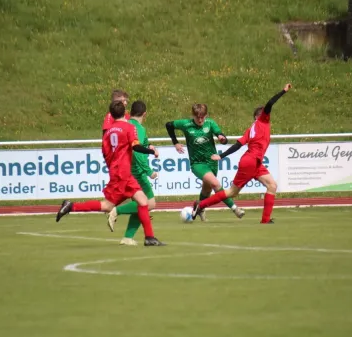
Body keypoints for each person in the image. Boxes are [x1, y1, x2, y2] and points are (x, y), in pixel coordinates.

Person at [56, 101, 165, 246]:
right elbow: (136, 146)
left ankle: (149, 237)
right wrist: (152, 151)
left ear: (111, 114)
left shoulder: (108, 132)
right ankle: (71, 206)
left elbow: (105, 153)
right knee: (107, 205)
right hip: (123, 174)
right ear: (124, 111)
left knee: (143, 201)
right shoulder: (129, 127)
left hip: (120, 173)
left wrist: (114, 167)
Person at [191, 83, 292, 224]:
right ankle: (200, 206)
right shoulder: (262, 120)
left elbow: (238, 145)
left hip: (255, 162)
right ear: (259, 116)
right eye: (264, 113)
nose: (268, 114)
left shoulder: (250, 129)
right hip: (251, 161)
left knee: (272, 185)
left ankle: (265, 220)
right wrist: (283, 91)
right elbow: (269, 104)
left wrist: (221, 156)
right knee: (232, 192)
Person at [165, 104, 245, 221]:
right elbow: (168, 125)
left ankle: (200, 208)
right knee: (216, 184)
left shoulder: (210, 123)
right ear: (193, 115)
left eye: (203, 117)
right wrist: (175, 142)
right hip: (197, 163)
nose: (200, 120)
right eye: (198, 117)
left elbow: (221, 135)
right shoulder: (186, 124)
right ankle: (235, 209)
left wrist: (222, 138)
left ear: (206, 115)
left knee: (207, 190)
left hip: (212, 161)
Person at [107, 100, 159, 246]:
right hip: (138, 172)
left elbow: (143, 144)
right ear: (145, 114)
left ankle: (127, 237)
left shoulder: (128, 125)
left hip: (128, 170)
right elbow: (137, 153)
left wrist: (150, 147)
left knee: (142, 205)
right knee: (149, 204)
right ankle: (117, 210)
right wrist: (149, 171)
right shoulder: (138, 129)